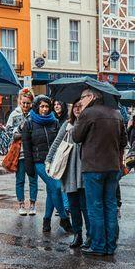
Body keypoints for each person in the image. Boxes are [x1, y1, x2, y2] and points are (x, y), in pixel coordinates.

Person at [73, 89, 126, 256]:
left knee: (95, 207)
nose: (80, 101)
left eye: (82, 97)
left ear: (91, 97)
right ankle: (110, 246)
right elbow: (124, 141)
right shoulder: (116, 114)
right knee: (110, 206)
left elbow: (76, 137)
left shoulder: (88, 113)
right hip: (112, 167)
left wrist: (80, 116)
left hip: (93, 168)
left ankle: (98, 245)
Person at [21, 95, 71, 232]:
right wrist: (29, 168)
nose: (44, 109)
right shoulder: (29, 123)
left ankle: (46, 221)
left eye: (47, 106)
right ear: (37, 107)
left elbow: (59, 143)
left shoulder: (54, 122)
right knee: (56, 188)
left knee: (51, 191)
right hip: (39, 162)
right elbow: (27, 148)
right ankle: (64, 219)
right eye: (42, 106)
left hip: (54, 161)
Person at [47, 99, 88, 248]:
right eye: (75, 106)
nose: (77, 109)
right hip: (69, 170)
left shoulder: (88, 124)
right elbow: (56, 143)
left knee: (85, 206)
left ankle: (89, 235)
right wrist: (49, 159)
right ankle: (78, 235)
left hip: (83, 169)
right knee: (73, 205)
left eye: (80, 106)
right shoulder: (67, 124)